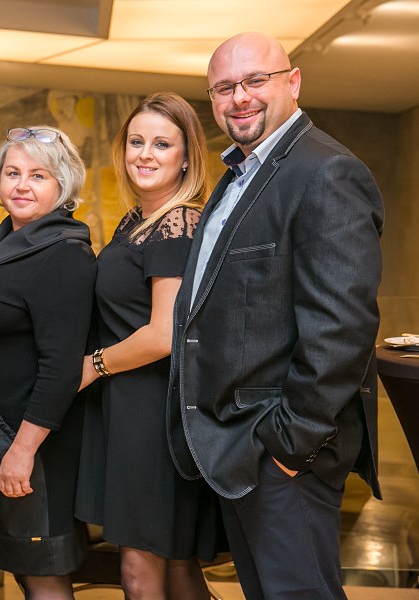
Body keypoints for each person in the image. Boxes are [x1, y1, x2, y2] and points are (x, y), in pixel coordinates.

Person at [167, 32, 384, 599]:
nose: (239, 97)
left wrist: (290, 445)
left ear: (293, 82)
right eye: (223, 88)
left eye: (255, 80)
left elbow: (341, 327)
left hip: (283, 453)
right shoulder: (239, 175)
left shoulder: (327, 171)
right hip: (239, 447)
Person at [74, 93, 222, 600]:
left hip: (152, 413)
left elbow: (163, 335)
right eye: (136, 142)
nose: (145, 154)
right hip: (131, 407)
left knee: (141, 571)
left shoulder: (178, 224)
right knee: (176, 566)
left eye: (162, 144)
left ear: (187, 158)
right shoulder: (138, 220)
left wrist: (93, 366)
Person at [0, 125, 96, 598]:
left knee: (42, 572)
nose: (21, 185)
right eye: (13, 173)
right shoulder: (4, 239)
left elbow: (61, 367)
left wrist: (22, 451)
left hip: (30, 443)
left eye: (38, 175)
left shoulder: (64, 254)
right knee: (23, 566)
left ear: (62, 186)